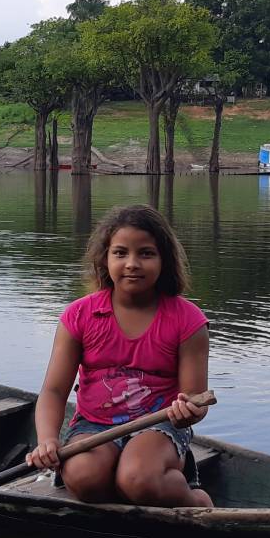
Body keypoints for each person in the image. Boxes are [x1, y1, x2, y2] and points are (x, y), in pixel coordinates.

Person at [25, 205, 213, 508]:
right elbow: (54, 391)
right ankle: (123, 491)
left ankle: (194, 499)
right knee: (85, 478)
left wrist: (188, 411)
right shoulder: (80, 315)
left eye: (146, 253)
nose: (132, 264)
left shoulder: (187, 321)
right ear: (105, 259)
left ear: (164, 260)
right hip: (93, 426)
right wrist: (47, 440)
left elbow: (195, 400)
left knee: (137, 479)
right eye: (121, 253)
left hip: (159, 427)